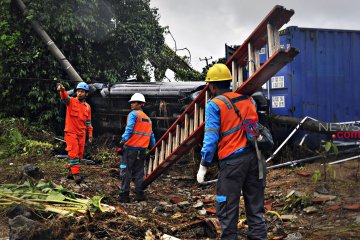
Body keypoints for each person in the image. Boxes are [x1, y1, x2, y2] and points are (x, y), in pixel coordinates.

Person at [196, 64, 267, 240]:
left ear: (212, 86)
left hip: (232, 161)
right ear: (229, 82)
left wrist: (204, 164)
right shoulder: (248, 100)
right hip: (255, 158)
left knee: (227, 209)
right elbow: (253, 131)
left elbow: (211, 137)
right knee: (255, 209)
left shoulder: (214, 104)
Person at [118, 93, 156, 203]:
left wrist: (122, 141)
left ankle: (124, 195)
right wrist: (153, 148)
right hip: (142, 150)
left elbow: (129, 129)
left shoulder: (133, 114)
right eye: (131, 102)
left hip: (130, 148)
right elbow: (151, 135)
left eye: (134, 102)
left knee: (126, 170)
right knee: (139, 172)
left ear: (141, 104)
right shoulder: (148, 119)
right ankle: (139, 194)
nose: (131, 104)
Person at [57, 82, 93, 184]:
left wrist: (90, 134)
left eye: (82, 92)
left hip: (82, 134)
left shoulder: (87, 107)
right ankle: (75, 174)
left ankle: (71, 170)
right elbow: (64, 98)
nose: (80, 93)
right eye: (78, 91)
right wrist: (62, 90)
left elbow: (88, 122)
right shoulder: (71, 101)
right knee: (73, 154)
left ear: (86, 94)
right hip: (71, 132)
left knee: (79, 155)